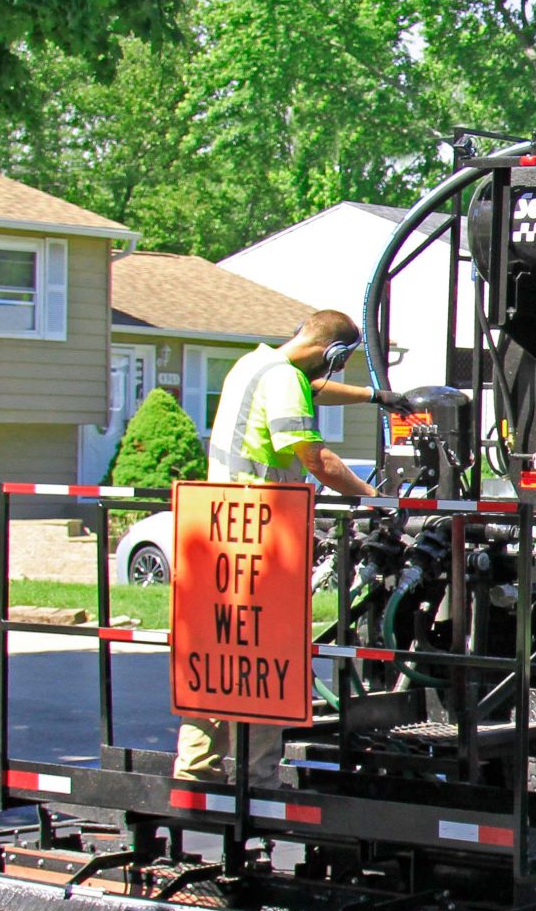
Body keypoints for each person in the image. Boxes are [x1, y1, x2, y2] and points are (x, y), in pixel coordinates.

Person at [174, 310, 407, 786]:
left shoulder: (255, 365)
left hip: (220, 533)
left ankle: (195, 770)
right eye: (339, 365)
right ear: (334, 355)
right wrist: (378, 502)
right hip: (262, 536)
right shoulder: (285, 381)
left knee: (218, 656)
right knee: (267, 658)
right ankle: (259, 781)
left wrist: (376, 397)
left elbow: (312, 389)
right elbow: (318, 460)